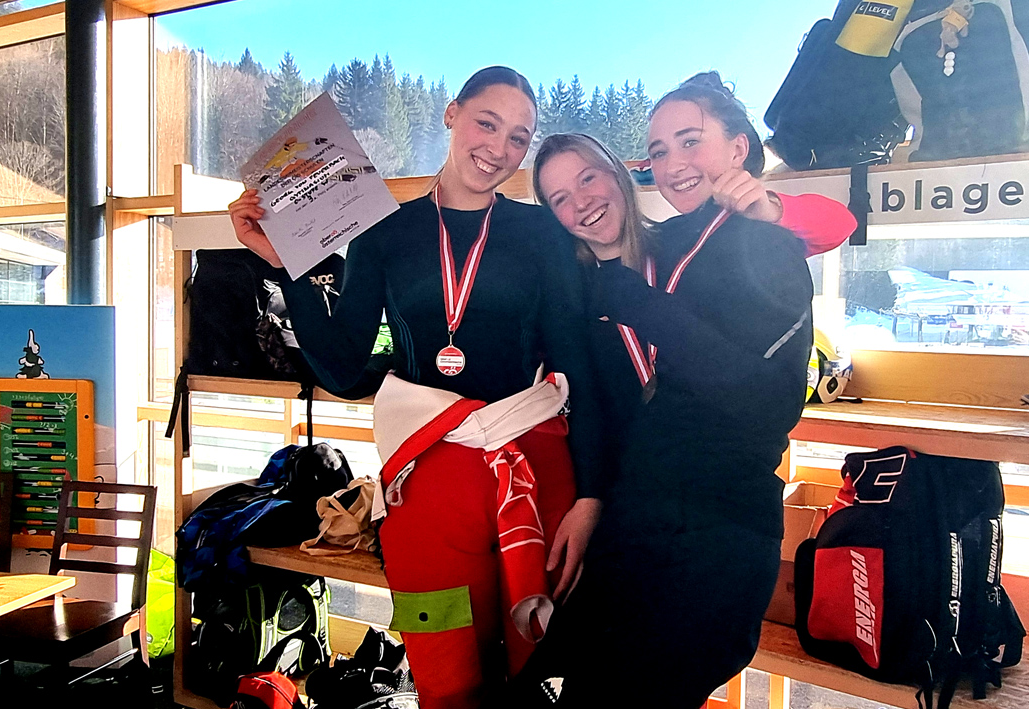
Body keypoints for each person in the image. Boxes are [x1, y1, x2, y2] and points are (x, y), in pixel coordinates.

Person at [228, 66, 606, 709]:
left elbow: (578, 368)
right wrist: (285, 264)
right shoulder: (383, 232)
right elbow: (342, 367)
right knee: (445, 678)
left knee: (532, 678)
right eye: (487, 123)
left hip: (535, 477)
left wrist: (590, 498)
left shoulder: (542, 234)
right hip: (428, 489)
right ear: (452, 114)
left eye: (519, 138)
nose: (499, 148)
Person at [511, 73, 824, 708]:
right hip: (635, 519)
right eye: (560, 198)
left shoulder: (701, 246)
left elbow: (766, 401)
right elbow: (591, 408)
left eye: (589, 179)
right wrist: (591, 499)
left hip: (721, 523)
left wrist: (772, 208)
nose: (581, 203)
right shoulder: (580, 293)